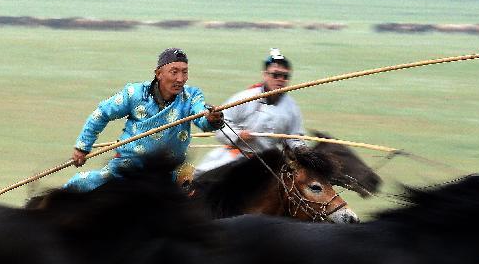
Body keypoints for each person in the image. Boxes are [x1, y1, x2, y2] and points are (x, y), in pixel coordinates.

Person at [65, 48, 224, 192]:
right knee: (79, 186)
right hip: (129, 166)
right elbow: (101, 114)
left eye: (184, 72)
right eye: (174, 72)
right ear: (158, 74)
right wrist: (82, 147)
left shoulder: (192, 96)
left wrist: (211, 118)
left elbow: (201, 115)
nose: (180, 79)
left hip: (169, 171)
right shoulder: (135, 93)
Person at [194, 48, 306, 176]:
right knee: (201, 178)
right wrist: (238, 135)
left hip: (268, 163)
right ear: (265, 75)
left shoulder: (291, 107)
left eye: (285, 76)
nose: (280, 79)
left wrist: (300, 149)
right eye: (275, 75)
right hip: (237, 156)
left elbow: (294, 138)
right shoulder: (245, 98)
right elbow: (220, 125)